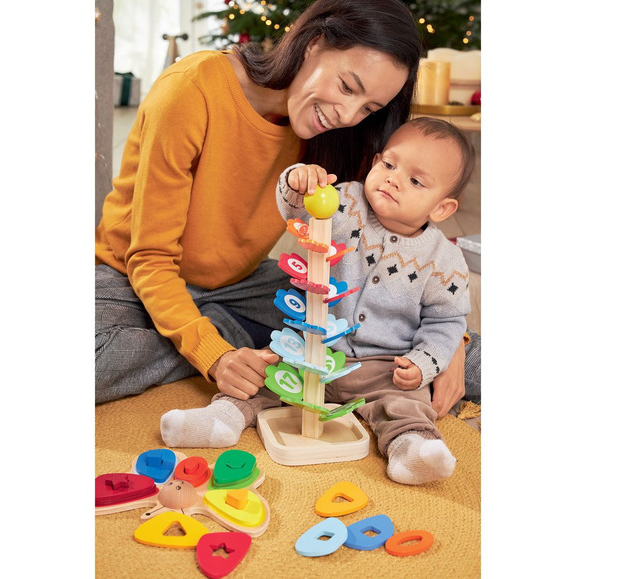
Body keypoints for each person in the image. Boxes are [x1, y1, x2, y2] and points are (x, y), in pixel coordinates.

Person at [161, 117, 476, 486]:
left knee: (409, 403)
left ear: (441, 208)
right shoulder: (347, 202)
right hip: (310, 348)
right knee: (265, 373)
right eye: (388, 164)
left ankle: (413, 449)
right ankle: (223, 419)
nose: (393, 178)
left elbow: (447, 323)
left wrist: (424, 363)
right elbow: (300, 211)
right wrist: (298, 183)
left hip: (384, 366)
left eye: (416, 180)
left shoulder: (445, 262)